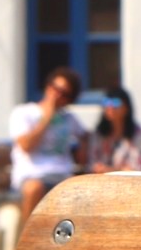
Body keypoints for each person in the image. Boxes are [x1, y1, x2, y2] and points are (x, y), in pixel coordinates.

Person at [10, 67, 85, 223]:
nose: (58, 95)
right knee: (34, 189)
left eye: (64, 94)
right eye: (56, 89)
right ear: (48, 86)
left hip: (63, 177)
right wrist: (47, 117)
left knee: (83, 192)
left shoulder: (70, 119)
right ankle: (27, 243)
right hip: (32, 176)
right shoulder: (24, 113)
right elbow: (26, 146)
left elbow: (87, 138)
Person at [90, 88, 141, 173]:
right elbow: (94, 166)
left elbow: (140, 167)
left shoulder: (136, 132)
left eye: (115, 102)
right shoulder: (99, 133)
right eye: (106, 102)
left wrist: (110, 170)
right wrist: (120, 170)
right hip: (103, 183)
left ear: (126, 108)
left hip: (130, 183)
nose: (110, 107)